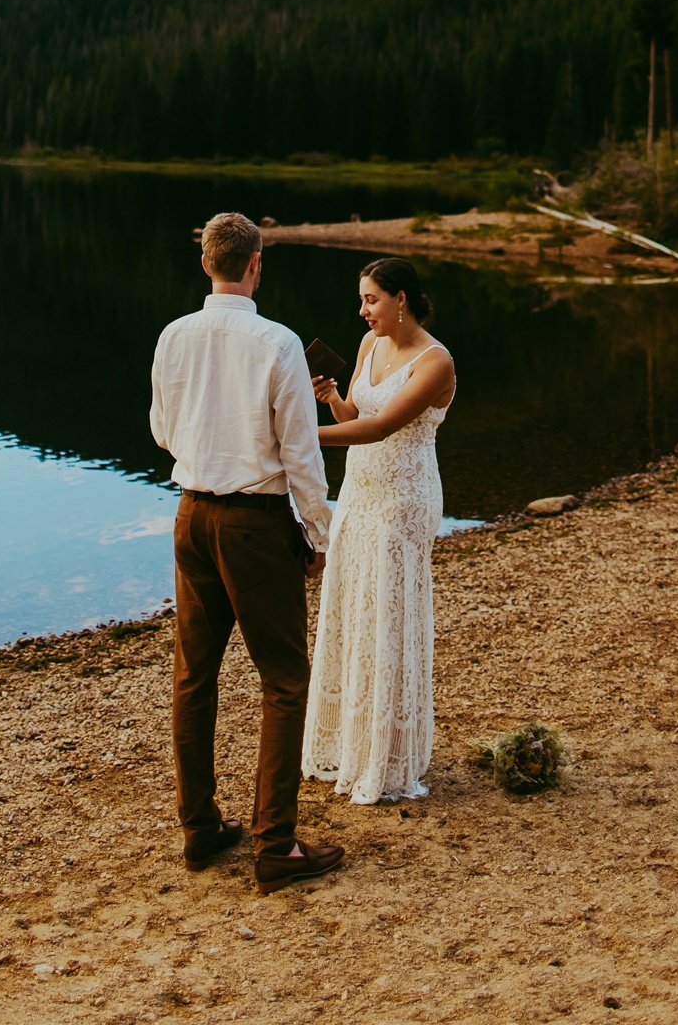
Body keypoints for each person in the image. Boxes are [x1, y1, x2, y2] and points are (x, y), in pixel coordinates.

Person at [150, 210, 345, 893]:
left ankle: (200, 830)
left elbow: (162, 431)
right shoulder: (277, 342)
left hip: (190, 516)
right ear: (255, 265)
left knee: (193, 677)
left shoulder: (174, 335)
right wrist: (319, 536)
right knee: (284, 680)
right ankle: (274, 845)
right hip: (254, 527)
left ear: (205, 263)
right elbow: (299, 453)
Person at [301, 255, 455, 804]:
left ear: (401, 300)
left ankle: (389, 757)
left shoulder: (435, 363)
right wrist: (333, 401)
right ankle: (351, 745)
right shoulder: (369, 346)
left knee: (388, 616)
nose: (362, 310)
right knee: (352, 610)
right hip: (359, 494)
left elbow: (385, 427)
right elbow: (356, 420)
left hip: (403, 500)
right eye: (362, 299)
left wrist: (294, 436)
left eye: (370, 299)